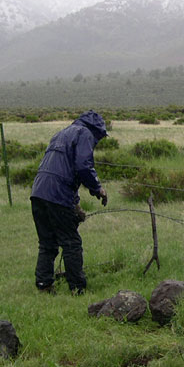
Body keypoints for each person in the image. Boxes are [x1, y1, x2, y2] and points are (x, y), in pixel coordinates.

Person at [30, 110, 108, 295]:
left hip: (38, 191)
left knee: (47, 242)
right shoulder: (85, 133)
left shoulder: (62, 133)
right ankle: (77, 288)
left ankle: (44, 285)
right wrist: (97, 188)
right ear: (97, 130)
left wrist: (75, 205)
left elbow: (63, 170)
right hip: (57, 194)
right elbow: (83, 166)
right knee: (71, 242)